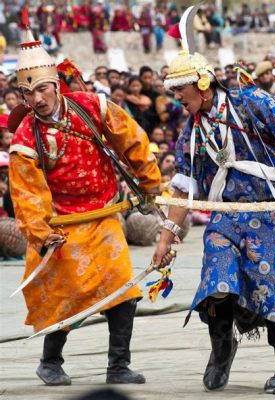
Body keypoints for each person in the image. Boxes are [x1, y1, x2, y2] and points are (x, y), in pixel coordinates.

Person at [153, 5, 275, 394]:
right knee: (217, 282)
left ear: (204, 84)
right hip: (227, 219)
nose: (177, 98)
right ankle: (222, 347)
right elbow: (182, 188)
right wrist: (165, 238)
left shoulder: (251, 101)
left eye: (181, 89)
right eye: (173, 91)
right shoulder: (190, 131)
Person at [9, 28, 161, 386]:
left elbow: (133, 140)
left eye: (42, 88)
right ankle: (50, 362)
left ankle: (118, 366)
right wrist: (42, 234)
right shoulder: (24, 138)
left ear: (57, 85)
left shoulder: (92, 105)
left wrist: (151, 183)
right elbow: (26, 194)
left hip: (104, 216)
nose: (37, 98)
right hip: (60, 225)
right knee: (65, 298)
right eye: (28, 93)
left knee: (123, 291)